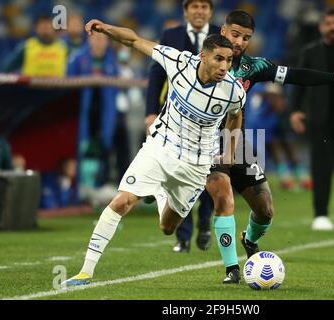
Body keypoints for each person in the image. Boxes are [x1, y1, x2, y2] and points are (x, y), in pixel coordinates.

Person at [63, 20, 245, 286]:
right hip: (161, 148)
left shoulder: (233, 91)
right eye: (218, 59)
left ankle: (160, 192)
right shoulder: (178, 62)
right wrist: (106, 29)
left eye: (228, 61)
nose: (224, 67)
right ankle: (86, 270)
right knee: (122, 201)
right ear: (203, 56)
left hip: (196, 165)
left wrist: (228, 153)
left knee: (167, 227)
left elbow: (235, 117)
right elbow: (134, 40)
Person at [204, 10, 334, 284]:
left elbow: (294, 75)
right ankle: (232, 269)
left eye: (246, 38)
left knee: (265, 210)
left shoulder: (253, 67)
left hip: (236, 142)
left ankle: (250, 241)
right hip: (202, 140)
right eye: (235, 35)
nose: (240, 42)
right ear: (223, 31)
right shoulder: (203, 61)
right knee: (221, 195)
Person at [145, 0, 219, 253]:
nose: (199, 11)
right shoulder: (171, 35)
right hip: (176, 119)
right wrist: (150, 112)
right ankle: (183, 238)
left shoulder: (221, 35)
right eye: (194, 6)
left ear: (210, 11)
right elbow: (156, 75)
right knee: (177, 174)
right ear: (185, 11)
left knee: (210, 174)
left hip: (211, 120)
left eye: (204, 6)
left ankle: (205, 223)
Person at [289, 9, 334, 231]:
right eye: (327, 23)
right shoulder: (310, 52)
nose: (332, 27)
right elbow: (300, 81)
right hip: (320, 119)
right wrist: (296, 110)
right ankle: (320, 214)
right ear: (321, 28)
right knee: (321, 169)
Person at [67, 32, 120, 190]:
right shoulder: (78, 58)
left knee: (104, 147)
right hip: (82, 112)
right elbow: (67, 84)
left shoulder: (112, 60)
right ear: (89, 40)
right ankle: (79, 187)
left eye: (102, 39)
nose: (98, 42)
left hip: (105, 112)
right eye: (96, 38)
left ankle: (99, 185)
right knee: (81, 147)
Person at [244, 83, 311, 190]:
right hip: (268, 126)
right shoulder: (267, 91)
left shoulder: (257, 89)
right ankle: (294, 180)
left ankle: (294, 179)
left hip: (266, 126)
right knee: (282, 151)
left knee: (282, 151)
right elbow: (279, 106)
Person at [2, 15, 68, 77]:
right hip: (32, 88)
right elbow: (7, 67)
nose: (45, 30)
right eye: (42, 27)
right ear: (36, 29)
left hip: (58, 88)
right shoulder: (27, 46)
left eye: (47, 27)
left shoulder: (63, 47)